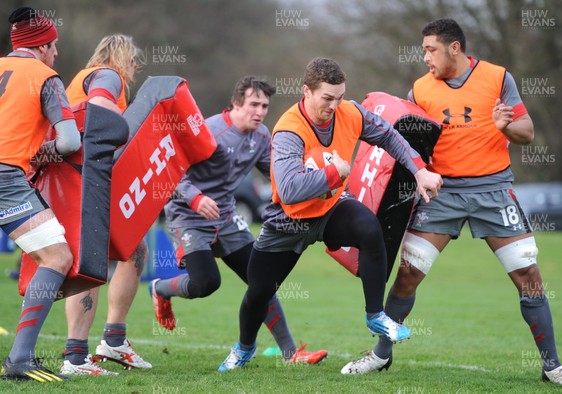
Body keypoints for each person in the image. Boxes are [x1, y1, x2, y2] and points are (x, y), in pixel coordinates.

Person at [341, 18, 562, 386]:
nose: (425, 57)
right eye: (423, 49)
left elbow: (527, 131)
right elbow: (405, 136)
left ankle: (552, 366)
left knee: (530, 277)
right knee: (408, 275)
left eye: (430, 50)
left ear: (454, 48)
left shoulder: (498, 78)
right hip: (442, 194)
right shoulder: (420, 89)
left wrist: (505, 126)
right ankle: (380, 355)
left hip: (493, 192)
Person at [218, 58, 443, 371]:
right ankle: (243, 348)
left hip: (332, 207)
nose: (334, 106)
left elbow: (388, 136)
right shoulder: (288, 130)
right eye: (327, 98)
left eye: (339, 97)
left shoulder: (349, 111)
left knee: (369, 228)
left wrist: (419, 170)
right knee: (259, 293)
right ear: (306, 91)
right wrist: (333, 173)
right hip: (290, 220)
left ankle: (375, 315)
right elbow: (290, 190)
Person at [149, 76, 328, 365]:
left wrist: (316, 184)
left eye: (264, 106)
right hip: (189, 217)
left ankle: (290, 353)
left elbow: (278, 176)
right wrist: (196, 198)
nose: (259, 112)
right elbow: (171, 170)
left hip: (227, 218)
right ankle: (159, 289)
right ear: (236, 103)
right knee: (205, 284)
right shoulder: (209, 131)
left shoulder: (261, 137)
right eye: (253, 104)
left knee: (262, 282)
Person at [59, 34, 151, 376]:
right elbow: (100, 107)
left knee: (133, 249)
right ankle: (76, 357)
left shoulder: (83, 76)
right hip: (86, 182)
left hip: (81, 180)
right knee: (92, 261)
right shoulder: (107, 77)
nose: (135, 68)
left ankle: (112, 341)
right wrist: (134, 133)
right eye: (133, 60)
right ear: (121, 57)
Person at [0, 7, 81, 382]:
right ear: (44, 45)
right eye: (55, 46)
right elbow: (69, 140)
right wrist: (45, 151)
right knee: (57, 257)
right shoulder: (45, 77)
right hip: (5, 176)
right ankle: (19, 360)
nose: (57, 54)